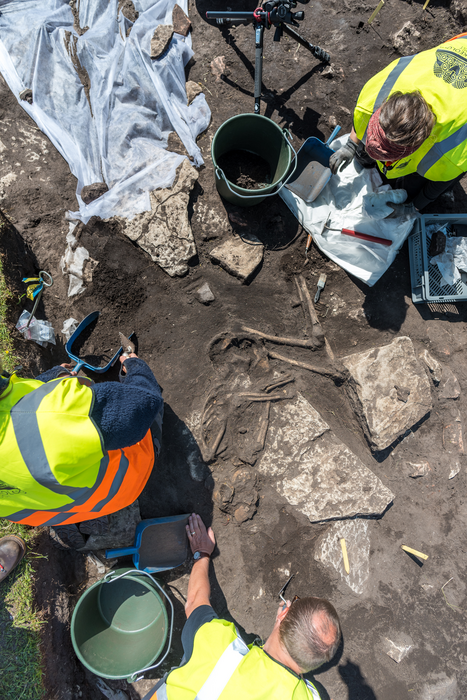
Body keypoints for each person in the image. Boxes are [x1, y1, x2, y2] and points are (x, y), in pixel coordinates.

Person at [143, 514, 341, 700]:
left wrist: (201, 553)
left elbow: (195, 601)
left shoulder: (221, 647)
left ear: (283, 613)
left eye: (294, 602)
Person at [0, 352, 163, 555]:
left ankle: (78, 516)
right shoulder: (59, 413)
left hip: (55, 507)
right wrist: (137, 367)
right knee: (148, 411)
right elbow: (143, 405)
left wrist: (46, 380)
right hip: (125, 485)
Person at [329, 33, 467, 214]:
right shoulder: (376, 94)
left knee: (413, 186)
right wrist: (351, 145)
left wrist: (414, 206)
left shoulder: (450, 153)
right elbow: (362, 118)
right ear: (380, 110)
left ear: (409, 152)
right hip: (461, 45)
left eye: (386, 160)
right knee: (363, 154)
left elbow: (442, 181)